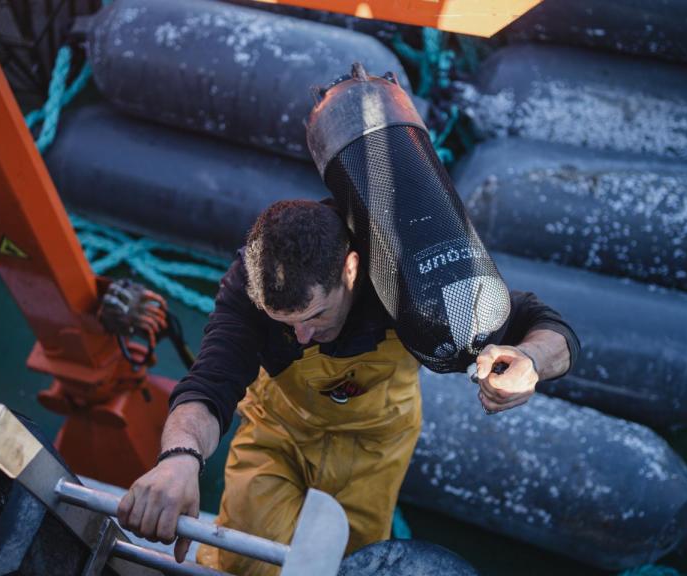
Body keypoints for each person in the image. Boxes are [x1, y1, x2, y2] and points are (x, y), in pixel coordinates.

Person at [118, 200, 580, 575]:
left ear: (352, 270)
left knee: (351, 567)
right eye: (286, 324)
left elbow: (545, 324)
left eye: (315, 316)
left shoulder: (414, 280)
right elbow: (209, 385)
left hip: (375, 445)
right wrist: (179, 461)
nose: (301, 336)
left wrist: (532, 360)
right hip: (279, 431)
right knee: (241, 559)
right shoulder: (247, 289)